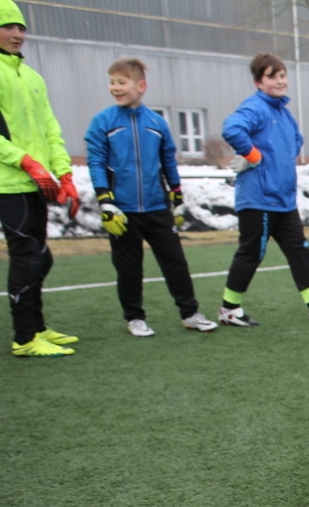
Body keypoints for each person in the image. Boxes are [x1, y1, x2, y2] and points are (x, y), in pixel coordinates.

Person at [0, 0, 81, 357]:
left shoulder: (31, 76)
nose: (17, 34)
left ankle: (38, 326)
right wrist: (27, 162)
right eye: (9, 27)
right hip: (8, 182)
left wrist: (64, 172)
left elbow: (50, 130)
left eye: (21, 27)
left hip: (36, 182)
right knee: (27, 256)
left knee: (40, 256)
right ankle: (25, 338)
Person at [85, 58, 217, 337]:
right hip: (122, 210)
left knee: (176, 262)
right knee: (129, 267)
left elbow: (168, 160)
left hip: (157, 207)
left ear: (141, 85)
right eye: (112, 82)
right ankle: (134, 318)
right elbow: (96, 162)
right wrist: (105, 200)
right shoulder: (102, 121)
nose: (115, 88)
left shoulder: (157, 123)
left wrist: (177, 194)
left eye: (122, 82)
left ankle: (190, 313)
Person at [217, 52, 309, 327]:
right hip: (259, 199)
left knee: (299, 250)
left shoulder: (284, 114)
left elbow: (296, 142)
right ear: (258, 82)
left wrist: (276, 162)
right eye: (272, 76)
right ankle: (229, 309)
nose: (280, 81)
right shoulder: (255, 108)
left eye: (282, 75)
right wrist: (253, 156)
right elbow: (231, 128)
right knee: (251, 253)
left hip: (284, 199)